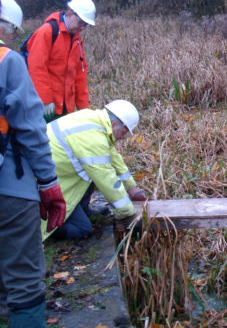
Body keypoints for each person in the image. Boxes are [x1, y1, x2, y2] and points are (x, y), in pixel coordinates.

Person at [0, 0, 70, 328]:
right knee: (25, 272)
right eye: (10, 32)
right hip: (9, 187)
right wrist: (48, 185)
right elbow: (29, 129)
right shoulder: (7, 61)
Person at [43, 100, 148, 240]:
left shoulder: (95, 122)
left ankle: (83, 210)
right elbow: (106, 177)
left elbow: (113, 158)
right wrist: (128, 213)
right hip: (46, 185)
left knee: (91, 173)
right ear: (115, 124)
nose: (123, 137)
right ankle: (54, 228)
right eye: (124, 132)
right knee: (82, 229)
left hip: (56, 173)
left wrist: (132, 188)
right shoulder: (94, 137)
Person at [24, 0, 96, 123]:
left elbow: (80, 75)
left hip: (65, 109)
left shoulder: (77, 40)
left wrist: (84, 110)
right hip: (44, 107)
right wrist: (45, 100)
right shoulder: (47, 32)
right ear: (69, 14)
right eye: (81, 23)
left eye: (86, 25)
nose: (83, 28)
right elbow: (36, 67)